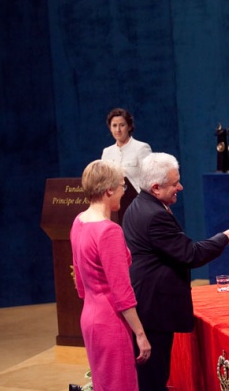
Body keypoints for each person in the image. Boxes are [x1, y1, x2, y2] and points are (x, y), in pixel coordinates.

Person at [122, 152, 229, 391]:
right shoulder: (155, 216)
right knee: (153, 380)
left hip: (147, 304)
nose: (180, 187)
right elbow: (191, 254)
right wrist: (226, 237)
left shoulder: (139, 205)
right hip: (154, 310)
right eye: (174, 183)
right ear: (156, 187)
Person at [70, 160, 151, 391]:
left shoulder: (79, 221)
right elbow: (122, 291)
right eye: (122, 186)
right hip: (110, 323)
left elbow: (80, 284)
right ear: (109, 191)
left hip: (90, 317)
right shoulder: (109, 231)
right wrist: (140, 334)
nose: (123, 191)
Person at [101, 107, 152, 193]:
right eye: (114, 125)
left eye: (122, 125)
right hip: (114, 202)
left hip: (137, 202)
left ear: (129, 127)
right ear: (110, 128)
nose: (118, 130)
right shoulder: (107, 152)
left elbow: (150, 179)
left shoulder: (142, 148)